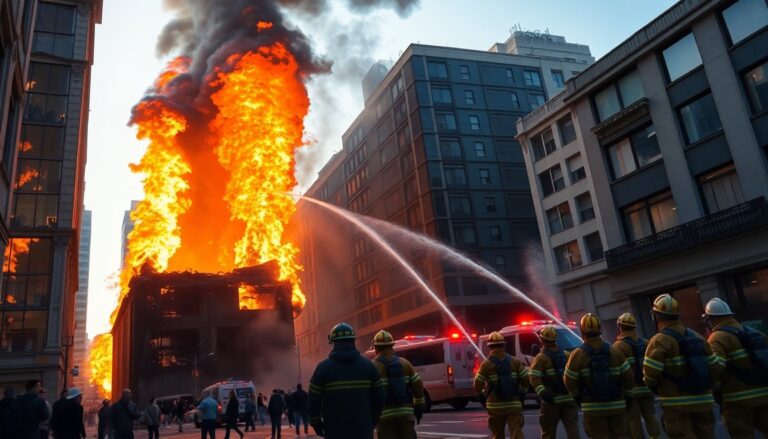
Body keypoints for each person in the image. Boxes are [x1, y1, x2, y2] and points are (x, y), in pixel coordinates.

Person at [643, 294, 721, 439]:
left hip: (676, 404)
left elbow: (650, 374)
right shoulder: (698, 337)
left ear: (657, 316)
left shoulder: (659, 341)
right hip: (703, 401)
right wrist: (709, 386)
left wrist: (657, 388)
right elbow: (715, 367)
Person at [704, 297, 768, 438]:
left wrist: (713, 387)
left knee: (742, 434)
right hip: (765, 394)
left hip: (737, 401)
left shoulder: (717, 338)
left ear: (711, 319)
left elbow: (715, 368)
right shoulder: (756, 334)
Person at [307, 322, 384, 439]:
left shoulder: (323, 368)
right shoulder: (369, 366)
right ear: (353, 341)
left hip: (335, 431)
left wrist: (317, 424)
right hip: (363, 430)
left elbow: (313, 401)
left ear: (333, 343)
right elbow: (380, 398)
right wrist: (371, 421)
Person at [564, 313, 634, 439]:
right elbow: (629, 376)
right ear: (600, 330)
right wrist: (627, 396)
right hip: (617, 405)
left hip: (592, 408)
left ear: (581, 330)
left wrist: (578, 397)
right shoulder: (615, 351)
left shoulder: (577, 355)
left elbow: (568, 380)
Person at [474, 331, 530, 439]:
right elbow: (526, 380)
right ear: (504, 345)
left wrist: (483, 399)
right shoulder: (515, 361)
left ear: (490, 347)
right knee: (516, 433)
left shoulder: (486, 364)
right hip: (514, 404)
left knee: (497, 434)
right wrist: (521, 395)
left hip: (494, 406)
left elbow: (477, 385)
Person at [613, 313, 661, 439]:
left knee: (634, 420)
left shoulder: (618, 346)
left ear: (620, 327)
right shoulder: (646, 343)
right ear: (634, 327)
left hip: (631, 391)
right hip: (647, 388)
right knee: (650, 417)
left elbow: (616, 371)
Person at [370, 330, 424, 439]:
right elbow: (418, 386)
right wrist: (419, 407)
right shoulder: (405, 363)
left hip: (384, 417)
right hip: (405, 414)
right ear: (392, 346)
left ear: (376, 348)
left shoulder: (371, 367)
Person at [529, 325, 579, 439]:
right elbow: (574, 375)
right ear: (555, 339)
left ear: (541, 340)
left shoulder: (541, 358)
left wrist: (543, 393)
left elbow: (533, 377)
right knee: (573, 428)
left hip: (551, 400)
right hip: (569, 398)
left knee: (548, 430)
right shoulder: (567, 354)